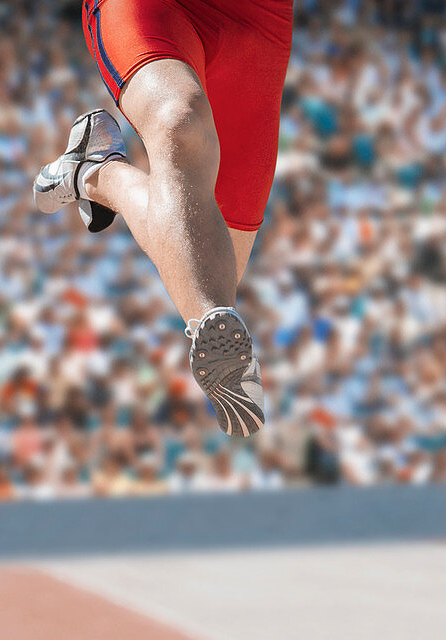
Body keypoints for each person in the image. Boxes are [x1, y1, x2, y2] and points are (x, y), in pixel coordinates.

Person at [33, 0, 294, 438]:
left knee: (213, 261)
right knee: (179, 120)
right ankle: (216, 333)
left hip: (256, 21)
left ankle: (96, 172)